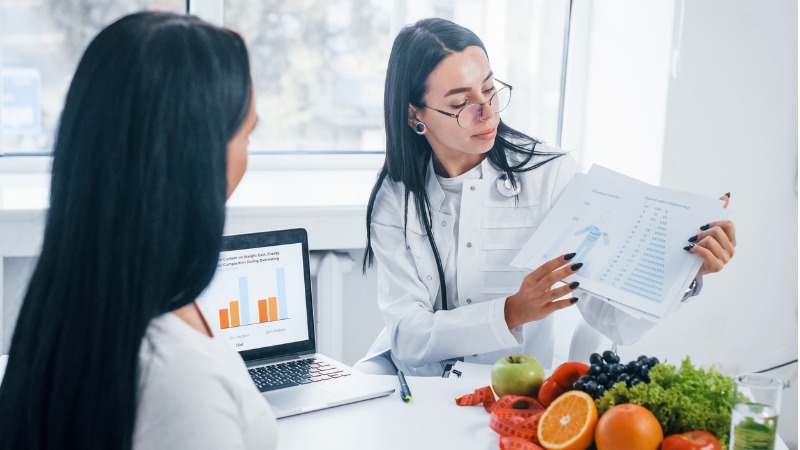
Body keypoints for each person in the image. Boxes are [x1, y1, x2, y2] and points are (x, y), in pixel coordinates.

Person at [357, 18, 736, 377]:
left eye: (489, 89)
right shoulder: (395, 197)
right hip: (417, 389)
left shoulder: (549, 173)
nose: (487, 113)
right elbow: (407, 337)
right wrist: (510, 312)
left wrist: (684, 273)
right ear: (414, 116)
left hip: (515, 390)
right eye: (460, 104)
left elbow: (610, 319)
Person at [0, 12, 276, 450]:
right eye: (247, 138)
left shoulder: (77, 301)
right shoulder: (175, 376)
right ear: (198, 159)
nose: (248, 158)